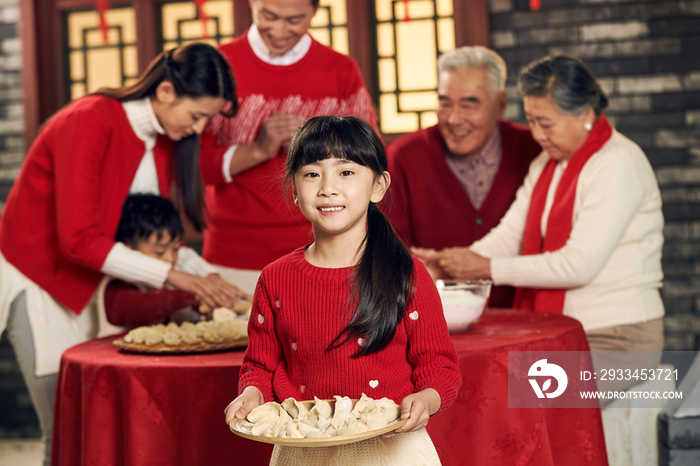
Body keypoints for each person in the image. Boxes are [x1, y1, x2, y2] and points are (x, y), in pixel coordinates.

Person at [0, 43, 242, 465]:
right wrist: (176, 278)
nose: (199, 129)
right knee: (62, 428)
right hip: (38, 281)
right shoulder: (89, 121)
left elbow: (151, 239)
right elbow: (78, 240)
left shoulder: (163, 139)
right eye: (197, 115)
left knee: (90, 426)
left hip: (87, 286)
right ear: (166, 92)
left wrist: (212, 281)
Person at [414, 55, 665, 392]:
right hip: (566, 331)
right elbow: (509, 236)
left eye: (546, 123)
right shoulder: (547, 164)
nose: (536, 134)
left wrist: (483, 267)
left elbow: (578, 265)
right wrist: (452, 264)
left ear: (585, 115)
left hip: (619, 338)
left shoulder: (617, 163)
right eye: (531, 121)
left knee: (516, 404)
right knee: (478, 386)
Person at [224, 116, 461, 465]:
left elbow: (439, 366)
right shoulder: (274, 278)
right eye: (311, 173)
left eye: (346, 172)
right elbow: (260, 365)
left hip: (391, 450)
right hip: (302, 450)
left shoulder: (406, 273)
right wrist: (251, 393)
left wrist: (426, 399)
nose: (327, 187)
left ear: (378, 186)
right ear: (293, 187)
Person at [199, 0, 379, 295]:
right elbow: (193, 168)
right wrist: (259, 149)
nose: (280, 30)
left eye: (294, 20)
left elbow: (370, 162)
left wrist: (314, 139)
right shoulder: (218, 66)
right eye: (269, 16)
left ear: (314, 12)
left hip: (327, 250)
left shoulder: (341, 70)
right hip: (233, 255)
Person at [384, 46, 541, 307]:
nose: (454, 119)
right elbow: (389, 250)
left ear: (500, 104)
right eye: (445, 103)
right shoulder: (404, 155)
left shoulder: (534, 150)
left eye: (469, 105)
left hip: (525, 315)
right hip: (436, 319)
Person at [97, 193, 237, 337]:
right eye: (160, 252)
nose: (170, 259)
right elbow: (140, 308)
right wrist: (196, 293)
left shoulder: (174, 281)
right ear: (128, 251)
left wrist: (216, 299)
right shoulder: (118, 284)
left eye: (176, 249)